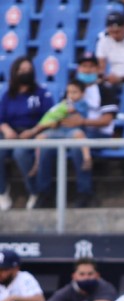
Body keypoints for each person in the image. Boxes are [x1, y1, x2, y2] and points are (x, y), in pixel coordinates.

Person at [33, 52, 119, 209]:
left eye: (91, 66)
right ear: (78, 68)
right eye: (83, 66)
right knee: (45, 146)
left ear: (97, 68)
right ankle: (44, 193)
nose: (86, 70)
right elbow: (61, 112)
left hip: (96, 132)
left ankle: (84, 193)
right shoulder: (71, 88)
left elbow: (107, 120)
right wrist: (55, 123)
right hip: (68, 131)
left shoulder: (104, 89)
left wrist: (83, 121)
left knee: (77, 146)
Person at [0, 56, 54, 212]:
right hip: (10, 133)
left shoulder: (41, 92)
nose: (25, 73)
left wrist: (33, 131)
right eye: (22, 70)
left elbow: (50, 118)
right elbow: (1, 118)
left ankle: (34, 191)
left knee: (20, 153)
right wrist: (6, 129)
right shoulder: (8, 94)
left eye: (28, 70)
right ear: (15, 72)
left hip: (34, 132)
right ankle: (2, 191)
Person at [29, 79, 93, 181]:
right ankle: (37, 163)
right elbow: (57, 117)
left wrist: (60, 110)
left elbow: (70, 111)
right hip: (59, 130)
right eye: (69, 92)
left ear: (83, 93)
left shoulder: (81, 104)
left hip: (73, 131)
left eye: (74, 92)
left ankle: (87, 158)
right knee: (40, 137)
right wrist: (54, 121)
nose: (71, 95)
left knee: (80, 135)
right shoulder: (64, 103)